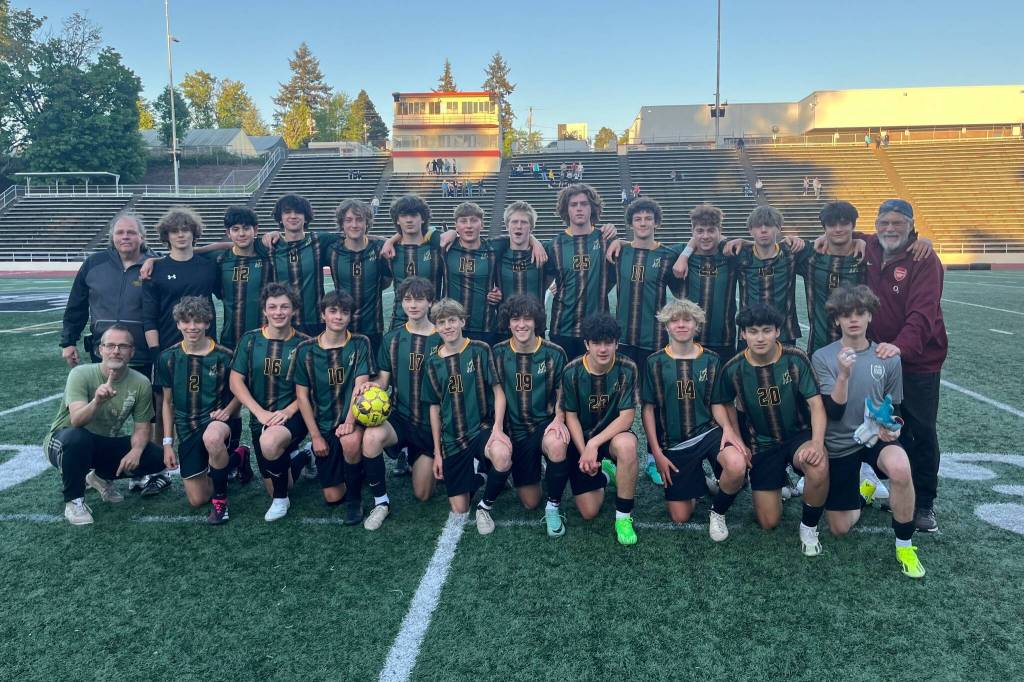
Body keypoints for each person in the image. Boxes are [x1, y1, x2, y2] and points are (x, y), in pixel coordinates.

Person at [811, 285, 925, 578]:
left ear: (870, 316)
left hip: (875, 437)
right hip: (840, 442)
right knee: (839, 527)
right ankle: (865, 493)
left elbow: (895, 408)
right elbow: (833, 412)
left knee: (900, 467)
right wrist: (843, 374)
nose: (853, 319)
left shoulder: (888, 357)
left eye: (860, 312)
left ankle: (905, 545)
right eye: (846, 314)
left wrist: (892, 428)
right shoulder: (823, 357)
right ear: (836, 319)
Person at [714, 303, 829, 556]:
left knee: (818, 465)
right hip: (762, 443)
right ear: (743, 334)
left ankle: (809, 527)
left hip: (797, 435)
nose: (760, 338)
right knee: (768, 522)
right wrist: (733, 434)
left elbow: (816, 405)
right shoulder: (733, 367)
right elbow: (721, 402)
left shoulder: (795, 358)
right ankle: (778, 481)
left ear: (777, 331)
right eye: (753, 331)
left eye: (766, 330)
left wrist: (817, 443)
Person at [863, 199, 947, 532]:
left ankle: (924, 503)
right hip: (880, 359)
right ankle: (894, 486)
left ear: (911, 226)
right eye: (884, 222)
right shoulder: (870, 246)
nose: (890, 229)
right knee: (884, 427)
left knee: (921, 430)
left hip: (917, 362)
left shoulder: (924, 259)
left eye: (898, 223)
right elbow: (842, 234)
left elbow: (922, 315)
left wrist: (900, 347)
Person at [641, 300, 747, 541]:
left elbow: (717, 402)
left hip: (708, 433)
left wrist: (728, 429)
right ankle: (700, 480)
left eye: (687, 320)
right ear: (666, 326)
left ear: (696, 325)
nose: (681, 325)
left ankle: (717, 512)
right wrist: (657, 453)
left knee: (737, 465)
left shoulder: (711, 359)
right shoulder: (654, 362)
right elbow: (648, 410)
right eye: (674, 320)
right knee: (680, 516)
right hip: (675, 443)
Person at [44, 325, 168, 525]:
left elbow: (142, 427)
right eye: (110, 345)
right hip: (64, 441)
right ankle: (74, 501)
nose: (116, 351)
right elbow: (76, 421)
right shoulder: (80, 374)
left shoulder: (141, 382)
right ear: (100, 349)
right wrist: (97, 402)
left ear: (132, 351)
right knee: (78, 438)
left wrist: (136, 451)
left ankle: (100, 478)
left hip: (101, 443)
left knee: (156, 456)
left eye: (123, 346)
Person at [605, 198, 683, 484]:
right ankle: (611, 458)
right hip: (622, 341)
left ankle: (653, 458)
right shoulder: (620, 252)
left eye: (648, 218)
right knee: (616, 401)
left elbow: (682, 290)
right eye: (638, 219)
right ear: (631, 223)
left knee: (655, 401)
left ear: (656, 222)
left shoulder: (667, 255)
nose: (643, 223)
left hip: (655, 340)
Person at [423, 298, 513, 534]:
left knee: (502, 454)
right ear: (436, 327)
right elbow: (434, 408)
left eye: (452, 320)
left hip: (481, 428)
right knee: (460, 509)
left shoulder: (480, 350)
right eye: (442, 322)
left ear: (462, 321)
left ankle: (485, 507)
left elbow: (498, 392)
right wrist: (437, 452)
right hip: (452, 438)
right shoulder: (432, 363)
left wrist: (497, 429)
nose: (448, 326)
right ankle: (481, 475)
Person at [291, 290, 377, 525]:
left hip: (352, 419)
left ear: (350, 316)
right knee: (332, 496)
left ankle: (355, 499)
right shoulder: (306, 349)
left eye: (344, 312)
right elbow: (302, 396)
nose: (338, 317)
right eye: (333, 311)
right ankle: (335, 463)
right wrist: (316, 436)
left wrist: (350, 422)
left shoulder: (360, 343)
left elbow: (360, 386)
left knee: (350, 441)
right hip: (324, 425)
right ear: (323, 314)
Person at [556, 313, 641, 546]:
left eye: (608, 342)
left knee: (627, 445)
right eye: (596, 343)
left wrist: (594, 444)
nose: (603, 349)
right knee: (589, 511)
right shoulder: (572, 371)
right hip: (581, 439)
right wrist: (585, 449)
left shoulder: (628, 367)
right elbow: (571, 416)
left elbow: (627, 417)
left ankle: (623, 517)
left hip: (612, 436)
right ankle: (604, 473)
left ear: (616, 343)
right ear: (587, 344)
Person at [359, 277, 442, 514]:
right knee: (371, 437)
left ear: (430, 302)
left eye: (419, 299)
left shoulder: (443, 338)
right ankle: (381, 502)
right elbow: (383, 381)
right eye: (408, 300)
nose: (413, 305)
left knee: (423, 494)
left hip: (430, 424)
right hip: (401, 417)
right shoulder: (392, 338)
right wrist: (370, 386)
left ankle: (413, 455)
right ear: (402, 303)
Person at [228, 283, 310, 522]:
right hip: (260, 419)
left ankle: (280, 501)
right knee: (279, 482)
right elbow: (235, 381)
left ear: (294, 309)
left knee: (271, 442)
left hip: (294, 415)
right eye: (272, 307)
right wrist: (260, 413)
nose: (278, 312)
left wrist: (289, 410)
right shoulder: (250, 340)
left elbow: (311, 389)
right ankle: (306, 456)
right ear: (264, 310)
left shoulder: (305, 344)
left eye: (284, 306)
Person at [155, 297, 240, 525]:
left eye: (198, 321)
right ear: (178, 324)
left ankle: (220, 501)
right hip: (187, 429)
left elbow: (241, 393)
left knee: (212, 438)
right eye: (186, 321)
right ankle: (236, 459)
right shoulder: (167, 358)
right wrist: (167, 443)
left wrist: (227, 411)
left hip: (216, 422)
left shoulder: (225, 356)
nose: (192, 327)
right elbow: (167, 403)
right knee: (197, 499)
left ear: (208, 323)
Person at [491, 295, 570, 536]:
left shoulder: (554, 353)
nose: (521, 324)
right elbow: (497, 394)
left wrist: (559, 419)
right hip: (516, 431)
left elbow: (562, 393)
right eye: (516, 319)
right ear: (508, 322)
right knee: (530, 502)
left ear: (536, 322)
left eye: (527, 319)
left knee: (557, 444)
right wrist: (497, 427)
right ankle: (539, 469)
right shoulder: (498, 353)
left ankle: (554, 506)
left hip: (544, 424)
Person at [61, 212, 158, 373]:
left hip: (145, 357)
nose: (125, 236)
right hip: (103, 355)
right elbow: (76, 306)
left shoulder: (158, 265)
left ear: (142, 237)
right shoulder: (93, 264)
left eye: (131, 232)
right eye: (120, 232)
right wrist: (68, 342)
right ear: (112, 237)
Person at [546, 183, 617, 360]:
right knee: (564, 376)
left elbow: (613, 277)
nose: (579, 208)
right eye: (573, 204)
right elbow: (543, 280)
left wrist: (620, 241)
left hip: (598, 329)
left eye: (584, 204)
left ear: (592, 208)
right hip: (562, 328)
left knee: (596, 377)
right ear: (566, 209)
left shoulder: (606, 240)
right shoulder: (554, 245)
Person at [263, 193, 340, 337]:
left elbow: (353, 237)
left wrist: (386, 240)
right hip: (281, 321)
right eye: (287, 212)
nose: (293, 216)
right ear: (280, 217)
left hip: (315, 321)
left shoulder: (318, 240)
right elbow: (237, 245)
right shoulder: (271, 245)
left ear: (306, 217)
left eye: (298, 212)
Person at [674, 204, 739, 362]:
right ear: (692, 231)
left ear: (719, 231)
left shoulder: (731, 255)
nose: (705, 236)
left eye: (711, 230)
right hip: (689, 339)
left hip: (724, 339)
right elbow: (648, 249)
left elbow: (756, 247)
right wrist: (620, 243)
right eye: (700, 231)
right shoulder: (677, 253)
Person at [327, 199, 392, 350]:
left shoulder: (379, 249)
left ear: (367, 223)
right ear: (342, 223)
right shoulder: (332, 250)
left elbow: (387, 280)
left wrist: (390, 240)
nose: (354, 225)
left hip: (373, 328)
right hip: (341, 327)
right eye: (348, 220)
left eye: (359, 220)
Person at [382, 194, 445, 329]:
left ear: (423, 218)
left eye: (414, 215)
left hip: (433, 322)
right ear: (397, 220)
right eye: (404, 215)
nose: (409, 220)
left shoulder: (437, 248)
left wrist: (452, 232)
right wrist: (390, 241)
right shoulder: (389, 251)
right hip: (399, 321)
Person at [442, 202, 501, 346]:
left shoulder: (494, 249)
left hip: (485, 326)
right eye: (463, 221)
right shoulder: (446, 247)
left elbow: (522, 238)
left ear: (482, 224)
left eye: (474, 220)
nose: (469, 226)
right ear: (456, 226)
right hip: (451, 325)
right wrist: (391, 241)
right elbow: (418, 234)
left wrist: (499, 292)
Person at [214, 206, 267, 351]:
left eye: (246, 228)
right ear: (228, 233)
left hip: (265, 337)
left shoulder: (269, 256)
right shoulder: (220, 260)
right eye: (235, 229)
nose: (241, 234)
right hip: (231, 339)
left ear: (255, 229)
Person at [492, 201, 554, 303]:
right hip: (504, 313)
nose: (519, 226)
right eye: (514, 222)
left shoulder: (543, 253)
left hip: (535, 313)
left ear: (531, 227)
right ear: (507, 226)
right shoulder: (498, 252)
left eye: (524, 222)